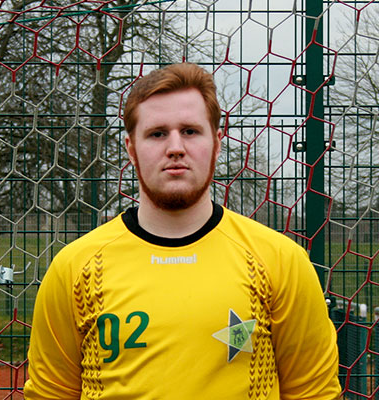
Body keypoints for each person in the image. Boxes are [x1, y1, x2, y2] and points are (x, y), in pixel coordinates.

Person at [24, 63, 341, 399]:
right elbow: (49, 394)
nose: (175, 147)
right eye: (157, 134)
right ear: (131, 148)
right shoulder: (75, 268)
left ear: (216, 143)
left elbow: (315, 393)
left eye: (190, 131)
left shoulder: (280, 261)